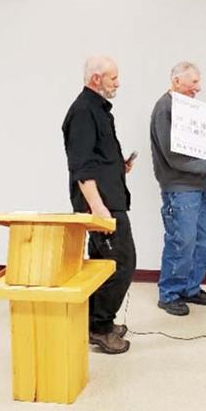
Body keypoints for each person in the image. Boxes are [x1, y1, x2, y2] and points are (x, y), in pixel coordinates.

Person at [62, 55, 136, 354]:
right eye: (113, 78)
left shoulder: (99, 109)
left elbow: (98, 156)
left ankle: (93, 322)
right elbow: (81, 165)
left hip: (110, 198)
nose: (117, 82)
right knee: (122, 263)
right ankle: (101, 328)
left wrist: (119, 166)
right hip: (101, 205)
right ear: (96, 79)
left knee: (102, 267)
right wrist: (98, 209)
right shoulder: (83, 111)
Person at [150, 61, 206, 316]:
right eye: (194, 82)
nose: (198, 88)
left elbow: (204, 138)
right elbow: (173, 156)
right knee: (182, 241)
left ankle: (191, 288)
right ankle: (169, 294)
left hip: (200, 185)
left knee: (202, 240)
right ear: (176, 81)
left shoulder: (190, 108)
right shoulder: (165, 108)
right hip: (179, 187)